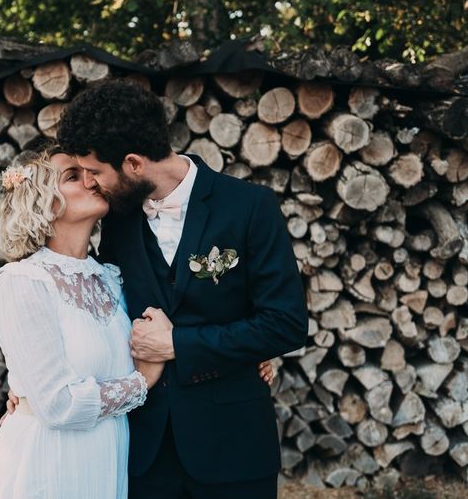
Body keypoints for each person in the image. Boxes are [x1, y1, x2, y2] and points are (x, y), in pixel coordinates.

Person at [55, 80, 309, 499]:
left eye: (96, 172)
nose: (90, 184)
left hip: (234, 449)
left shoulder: (249, 207)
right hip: (142, 452)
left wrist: (180, 344)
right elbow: (98, 312)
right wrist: (37, 384)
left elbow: (285, 324)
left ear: (134, 163)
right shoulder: (117, 219)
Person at [0, 143, 275, 499]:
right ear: (42, 200)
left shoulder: (111, 278)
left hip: (109, 454)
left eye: (91, 173)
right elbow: (57, 402)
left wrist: (241, 350)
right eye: (74, 176)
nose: (93, 182)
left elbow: (167, 327)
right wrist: (141, 383)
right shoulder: (25, 281)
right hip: (52, 457)